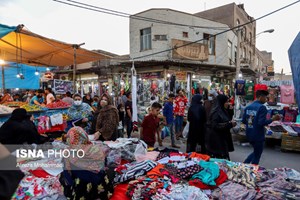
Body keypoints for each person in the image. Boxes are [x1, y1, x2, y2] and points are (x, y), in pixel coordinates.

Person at [59, 126, 113, 200]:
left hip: (83, 190)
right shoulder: (96, 149)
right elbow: (104, 166)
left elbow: (68, 177)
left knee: (62, 175)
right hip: (101, 186)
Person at [242, 90, 281, 165]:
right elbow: (261, 123)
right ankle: (252, 170)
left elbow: (244, 120)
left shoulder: (248, 107)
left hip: (249, 133)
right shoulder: (262, 107)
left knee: (256, 152)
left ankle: (245, 165)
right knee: (257, 154)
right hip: (257, 135)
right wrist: (273, 119)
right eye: (265, 98)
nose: (266, 100)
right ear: (260, 97)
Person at [206, 94, 236, 160]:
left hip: (222, 139)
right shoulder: (216, 112)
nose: (228, 103)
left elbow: (226, 119)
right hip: (217, 142)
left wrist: (230, 111)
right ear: (221, 102)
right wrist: (229, 124)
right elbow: (215, 126)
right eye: (226, 102)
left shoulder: (223, 110)